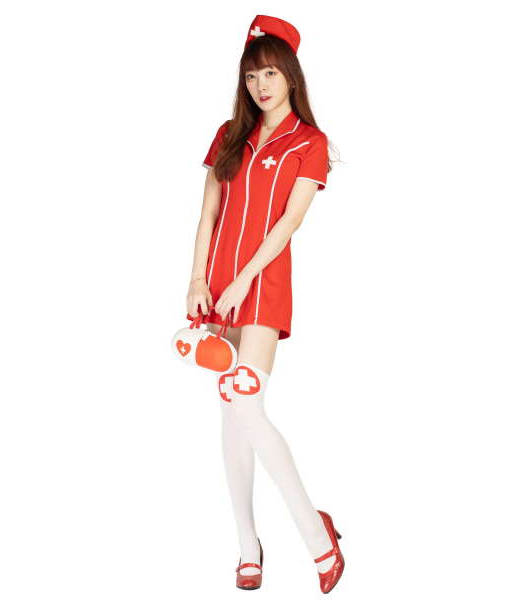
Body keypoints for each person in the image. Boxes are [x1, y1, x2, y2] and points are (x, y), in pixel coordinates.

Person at [185, 15, 344, 594]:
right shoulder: (230, 133)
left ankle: (317, 537)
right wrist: (197, 280)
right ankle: (247, 545)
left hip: (262, 287)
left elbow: (289, 224)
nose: (261, 85)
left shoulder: (310, 144)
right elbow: (208, 212)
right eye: (252, 76)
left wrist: (241, 281)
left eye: (271, 73)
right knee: (230, 411)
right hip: (216, 289)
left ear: (291, 76)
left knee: (246, 405)